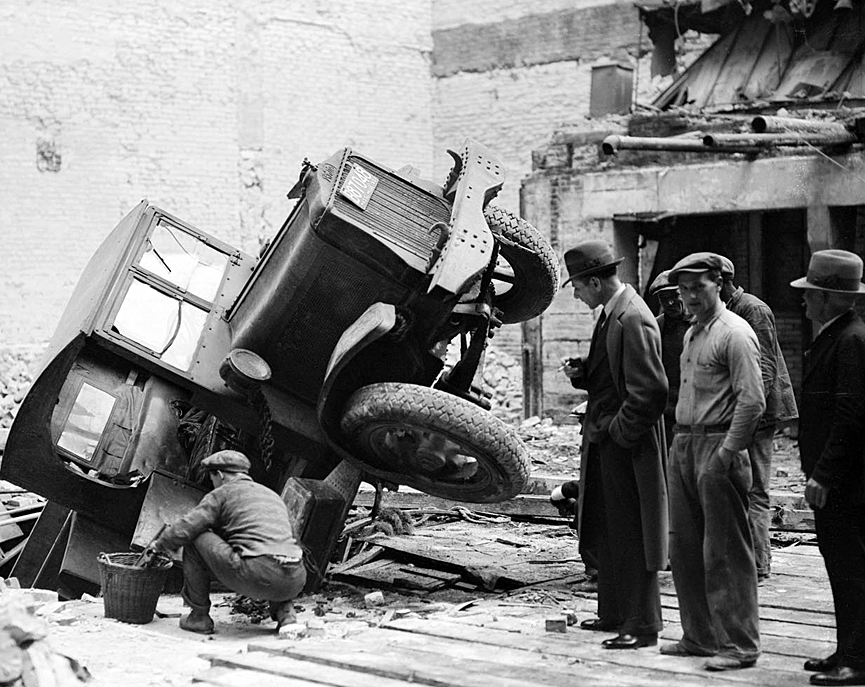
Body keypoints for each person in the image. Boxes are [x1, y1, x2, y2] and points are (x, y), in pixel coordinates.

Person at [560, 240, 668, 650]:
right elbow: (614, 377)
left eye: (577, 286)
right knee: (609, 531)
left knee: (633, 534)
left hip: (627, 448)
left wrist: (617, 433)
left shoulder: (633, 318)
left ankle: (641, 625)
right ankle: (613, 613)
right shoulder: (611, 315)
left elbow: (650, 392)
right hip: (607, 445)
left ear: (593, 282)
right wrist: (584, 374)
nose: (575, 294)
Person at [663, 252, 765, 671]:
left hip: (718, 446)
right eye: (683, 289)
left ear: (719, 285)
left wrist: (727, 453)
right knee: (685, 548)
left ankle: (739, 645)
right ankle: (700, 637)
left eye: (698, 288)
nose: (689, 297)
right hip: (684, 444)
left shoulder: (735, 334)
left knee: (725, 552)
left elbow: (753, 401)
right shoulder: (693, 334)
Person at [790, 249, 865, 686]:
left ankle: (856, 660)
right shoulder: (838, 335)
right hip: (840, 480)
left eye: (811, 293)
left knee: (851, 569)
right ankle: (847, 649)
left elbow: (850, 417)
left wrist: (824, 475)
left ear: (829, 298)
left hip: (846, 484)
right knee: (841, 567)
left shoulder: (850, 340)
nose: (804, 301)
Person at [151, 450, 306, 634]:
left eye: (212, 478)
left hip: (256, 574)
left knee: (195, 537)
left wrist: (160, 544)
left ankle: (199, 617)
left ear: (221, 475)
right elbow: (293, 539)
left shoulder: (222, 494)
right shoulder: (272, 495)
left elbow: (189, 526)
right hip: (295, 579)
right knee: (273, 546)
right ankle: (287, 618)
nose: (213, 484)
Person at [714, 253, 798, 581]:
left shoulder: (753, 309)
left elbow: (764, 370)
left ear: (720, 283)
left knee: (756, 490)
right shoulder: (729, 310)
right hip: (743, 412)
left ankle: (759, 566)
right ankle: (745, 560)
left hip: (760, 413)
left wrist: (744, 416)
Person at [649, 269, 690, 451]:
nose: (670, 303)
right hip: (667, 409)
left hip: (694, 408)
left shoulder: (700, 324)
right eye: (664, 299)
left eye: (675, 295)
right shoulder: (656, 327)